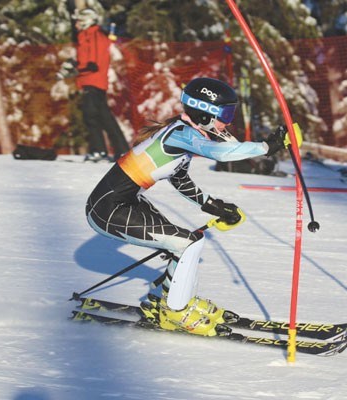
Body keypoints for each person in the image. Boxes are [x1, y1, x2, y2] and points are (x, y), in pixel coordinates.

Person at [85, 77, 294, 337]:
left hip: (126, 203)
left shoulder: (185, 133)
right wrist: (267, 146)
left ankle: (170, 302)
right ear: (204, 113)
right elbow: (221, 153)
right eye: (225, 114)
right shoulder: (180, 134)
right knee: (187, 244)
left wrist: (213, 206)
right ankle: (175, 312)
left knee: (185, 243)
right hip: (107, 209)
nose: (227, 122)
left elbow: (180, 178)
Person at [73, 6, 129, 162]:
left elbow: (94, 63)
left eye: (79, 20)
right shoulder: (85, 36)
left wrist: (78, 68)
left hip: (94, 81)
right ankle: (119, 150)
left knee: (92, 116)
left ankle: (100, 150)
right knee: (102, 116)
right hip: (88, 81)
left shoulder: (95, 35)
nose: (77, 23)